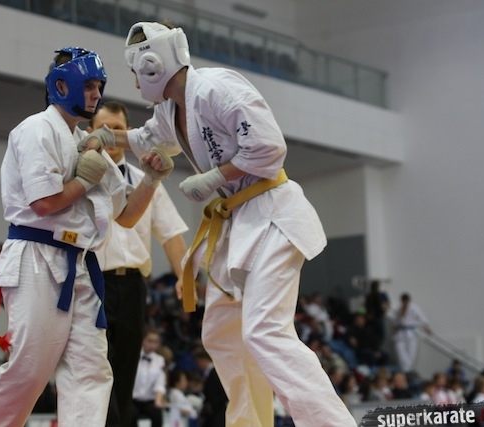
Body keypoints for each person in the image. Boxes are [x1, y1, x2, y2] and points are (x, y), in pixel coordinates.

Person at [96, 20, 358, 426]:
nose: (135, 82)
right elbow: (146, 138)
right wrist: (102, 139)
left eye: (136, 72)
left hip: (271, 212)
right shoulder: (170, 108)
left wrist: (215, 177)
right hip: (238, 221)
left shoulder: (217, 88)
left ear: (152, 65)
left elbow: (269, 147)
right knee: (221, 330)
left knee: (264, 331)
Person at [0, 46, 173, 427]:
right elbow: (44, 203)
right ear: (62, 85)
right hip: (36, 256)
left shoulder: (86, 142)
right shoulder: (36, 129)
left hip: (79, 264)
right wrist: (82, 180)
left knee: (91, 369)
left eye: (99, 86)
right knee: (30, 368)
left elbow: (127, 215)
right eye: (90, 86)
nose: (96, 95)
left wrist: (150, 179)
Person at [90, 100, 188, 427]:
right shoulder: (81, 175)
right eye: (103, 128)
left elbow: (171, 233)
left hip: (133, 285)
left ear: (128, 133)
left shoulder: (148, 179)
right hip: (92, 283)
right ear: (90, 131)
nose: (110, 134)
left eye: (117, 129)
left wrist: (184, 276)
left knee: (125, 372)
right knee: (97, 368)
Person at [131, 328, 166, 427]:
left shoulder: (160, 360)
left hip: (149, 400)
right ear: (143, 340)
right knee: (131, 416)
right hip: (133, 400)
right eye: (149, 341)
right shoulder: (133, 357)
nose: (152, 345)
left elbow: (159, 383)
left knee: (157, 414)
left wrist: (158, 400)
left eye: (155, 342)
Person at [392, 292, 431, 373]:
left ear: (409, 301)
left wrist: (426, 327)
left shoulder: (414, 308)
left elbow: (422, 317)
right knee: (400, 353)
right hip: (400, 333)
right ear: (402, 301)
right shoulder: (398, 308)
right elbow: (396, 320)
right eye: (403, 301)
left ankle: (406, 371)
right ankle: (407, 370)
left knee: (411, 354)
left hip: (411, 333)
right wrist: (394, 330)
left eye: (406, 301)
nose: (405, 303)